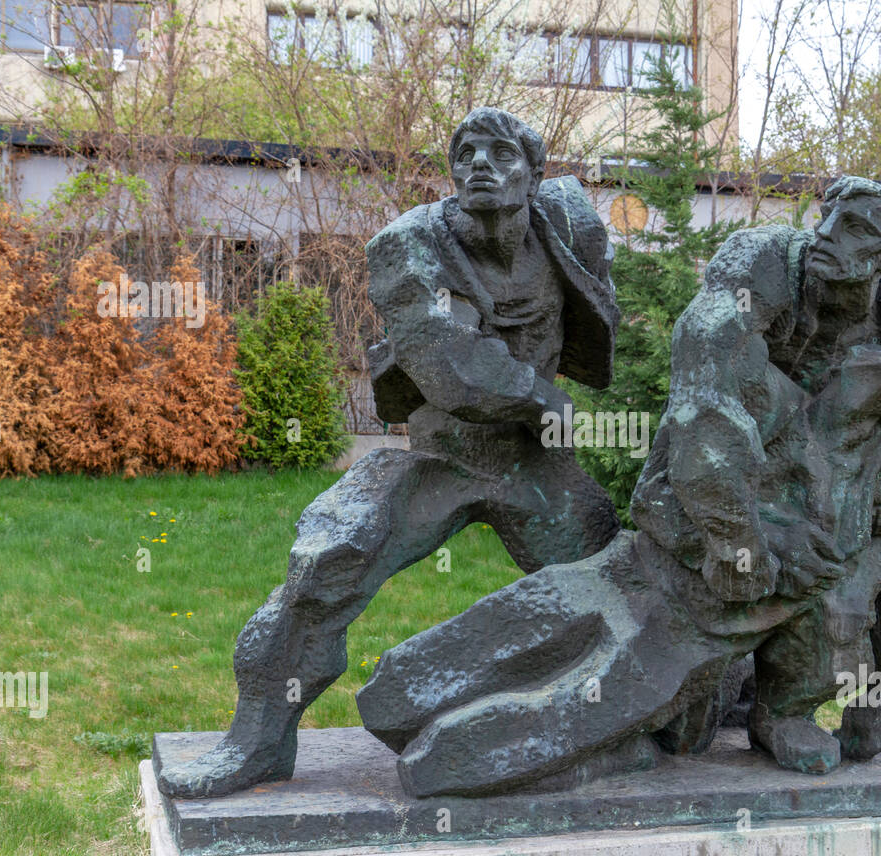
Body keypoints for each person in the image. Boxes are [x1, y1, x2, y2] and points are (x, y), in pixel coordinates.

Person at [357, 176, 881, 797]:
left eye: (855, 228)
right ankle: (433, 709)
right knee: (596, 621)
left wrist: (867, 504)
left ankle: (800, 710)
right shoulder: (760, 273)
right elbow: (704, 414)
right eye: (828, 215)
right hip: (707, 519)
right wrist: (742, 544)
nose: (826, 233)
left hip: (815, 514)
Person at [158, 108, 622, 799]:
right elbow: (448, 364)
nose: (480, 167)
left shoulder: (569, 221)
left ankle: (650, 719)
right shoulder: (407, 244)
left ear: (534, 172)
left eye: (501, 154)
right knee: (322, 566)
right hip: (441, 452)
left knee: (619, 583)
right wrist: (540, 397)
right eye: (465, 153)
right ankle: (255, 743)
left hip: (532, 462)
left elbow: (602, 297)